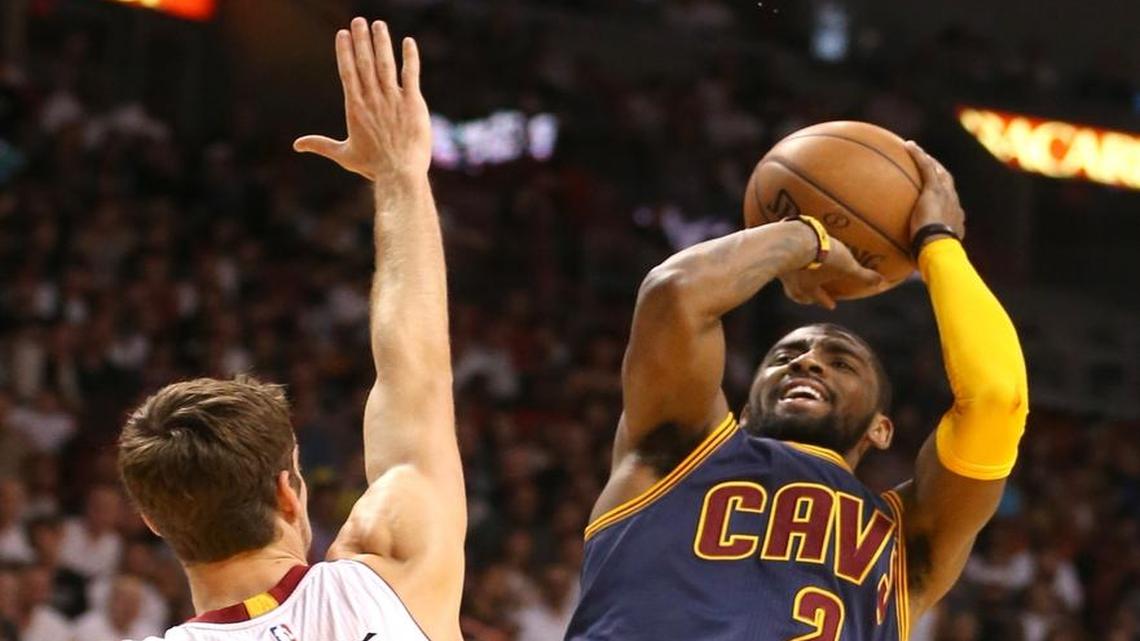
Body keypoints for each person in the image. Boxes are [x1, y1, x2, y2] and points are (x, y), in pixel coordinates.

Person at [565, 143, 1029, 640]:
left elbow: (996, 398)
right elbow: (673, 293)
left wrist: (938, 242)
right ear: (743, 411)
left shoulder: (909, 541)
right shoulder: (679, 453)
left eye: (842, 363)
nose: (807, 361)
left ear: (881, 427)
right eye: (784, 358)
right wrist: (810, 237)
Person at [117, 17, 464, 641]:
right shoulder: (389, 580)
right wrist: (400, 178)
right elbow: (417, 376)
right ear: (288, 493)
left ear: (155, 522)